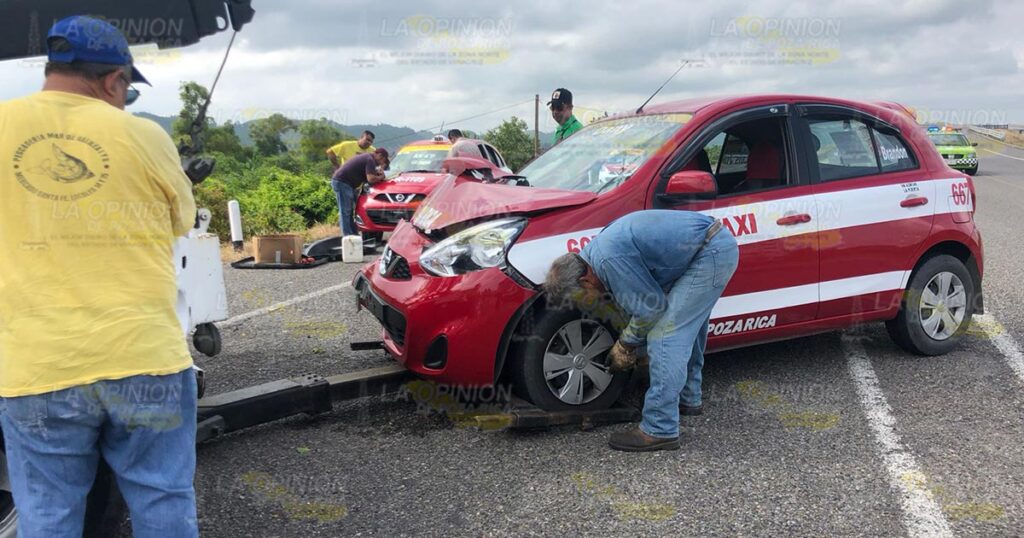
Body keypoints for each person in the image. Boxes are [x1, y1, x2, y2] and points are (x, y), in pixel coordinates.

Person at [0, 16, 199, 536]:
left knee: (46, 513)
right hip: (144, 361)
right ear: (114, 80)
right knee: (163, 503)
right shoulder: (145, 135)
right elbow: (182, 222)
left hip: (36, 365)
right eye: (127, 89)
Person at [544, 211, 739, 452]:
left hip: (710, 253)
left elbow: (650, 310)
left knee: (666, 336)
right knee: (688, 327)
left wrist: (625, 345)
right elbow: (641, 298)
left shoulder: (608, 261)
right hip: (709, 246)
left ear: (585, 280)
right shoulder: (596, 255)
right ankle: (688, 398)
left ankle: (660, 428)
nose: (586, 305)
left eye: (581, 298)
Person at [331, 148, 390, 236]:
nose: (381, 163)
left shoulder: (368, 158)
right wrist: (381, 177)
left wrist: (379, 173)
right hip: (342, 182)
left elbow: (370, 175)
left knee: (351, 211)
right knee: (345, 211)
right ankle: (347, 236)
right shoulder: (370, 159)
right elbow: (371, 179)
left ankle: (353, 234)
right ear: (380, 156)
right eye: (382, 161)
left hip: (348, 184)